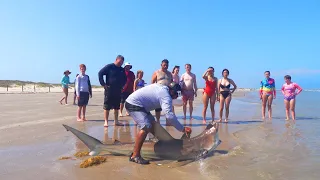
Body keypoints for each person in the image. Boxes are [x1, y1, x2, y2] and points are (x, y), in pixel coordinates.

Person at [125, 82, 192, 164]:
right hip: (133, 104)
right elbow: (169, 116)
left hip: (141, 106)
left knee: (153, 125)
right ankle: (135, 155)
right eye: (176, 95)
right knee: (146, 126)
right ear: (172, 92)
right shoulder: (166, 95)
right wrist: (182, 129)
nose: (176, 97)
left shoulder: (164, 89)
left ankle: (167, 146)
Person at [98, 55, 127, 127]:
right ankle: (106, 121)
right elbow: (100, 73)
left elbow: (125, 78)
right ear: (116, 59)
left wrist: (123, 86)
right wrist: (103, 84)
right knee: (107, 106)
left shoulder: (121, 69)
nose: (120, 63)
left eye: (122, 62)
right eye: (120, 62)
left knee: (117, 107)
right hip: (109, 89)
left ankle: (116, 121)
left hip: (118, 90)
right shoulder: (109, 67)